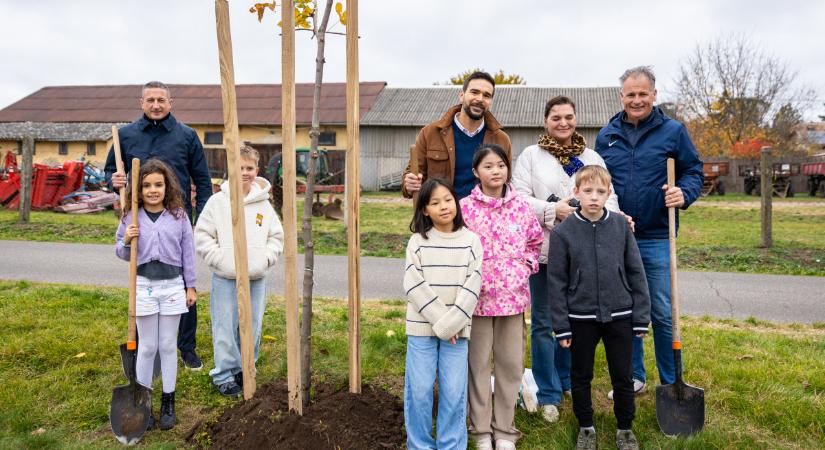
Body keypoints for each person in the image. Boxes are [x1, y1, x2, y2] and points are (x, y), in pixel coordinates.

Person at [512, 95, 623, 423]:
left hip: (583, 253)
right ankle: (548, 392)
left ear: (576, 119)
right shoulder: (531, 157)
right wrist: (552, 210)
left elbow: (610, 196)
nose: (563, 123)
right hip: (544, 252)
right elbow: (517, 197)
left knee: (575, 321)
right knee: (545, 322)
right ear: (545, 121)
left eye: (568, 117)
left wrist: (605, 217)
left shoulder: (591, 158)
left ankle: (567, 380)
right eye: (556, 117)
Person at [594, 66, 703, 398]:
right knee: (626, 311)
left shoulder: (673, 132)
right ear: (621, 96)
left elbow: (694, 170)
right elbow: (596, 180)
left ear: (654, 95)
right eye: (631, 94)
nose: (637, 100)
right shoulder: (607, 134)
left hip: (657, 236)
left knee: (661, 310)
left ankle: (671, 381)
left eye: (643, 94)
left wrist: (684, 192)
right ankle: (634, 377)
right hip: (617, 235)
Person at [105, 81, 213, 371]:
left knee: (183, 280)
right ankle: (144, 344)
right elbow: (110, 173)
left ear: (170, 102)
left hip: (177, 220)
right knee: (143, 280)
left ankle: (186, 347)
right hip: (140, 218)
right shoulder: (126, 135)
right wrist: (113, 182)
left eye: (161, 100)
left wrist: (200, 219)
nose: (155, 105)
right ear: (141, 102)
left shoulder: (187, 136)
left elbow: (202, 181)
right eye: (150, 100)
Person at [547, 165, 650, 450]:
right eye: (588, 191)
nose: (594, 197)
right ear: (576, 192)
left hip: (620, 315)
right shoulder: (563, 232)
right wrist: (561, 325)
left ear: (609, 194)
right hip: (580, 318)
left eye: (600, 192)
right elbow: (556, 282)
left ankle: (625, 429)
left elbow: (636, 272)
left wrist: (641, 317)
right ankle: (586, 427)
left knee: (622, 374)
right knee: (581, 375)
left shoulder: (620, 226)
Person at [459, 144, 542, 450]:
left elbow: (535, 241)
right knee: (478, 365)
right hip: (476, 302)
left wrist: (526, 266)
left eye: (501, 165)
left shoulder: (521, 206)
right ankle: (481, 430)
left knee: (510, 365)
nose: (496, 171)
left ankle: (505, 430)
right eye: (488, 166)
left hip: (513, 300)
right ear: (476, 172)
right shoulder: (464, 208)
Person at [194, 145, 284, 398]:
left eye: (250, 168)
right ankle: (224, 373)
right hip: (226, 277)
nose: (245, 173)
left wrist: (265, 259)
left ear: (257, 169)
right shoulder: (218, 202)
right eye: (240, 167)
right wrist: (220, 260)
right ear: (231, 169)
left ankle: (246, 367)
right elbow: (202, 236)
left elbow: (276, 236)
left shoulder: (263, 204)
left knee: (252, 325)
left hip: (256, 277)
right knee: (225, 325)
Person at [115, 158, 198, 431]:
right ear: (138, 189)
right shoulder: (131, 215)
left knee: (167, 345)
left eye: (158, 185)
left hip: (173, 285)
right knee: (148, 346)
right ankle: (143, 402)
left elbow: (188, 253)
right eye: (147, 185)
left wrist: (191, 285)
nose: (153, 190)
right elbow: (122, 252)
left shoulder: (178, 215)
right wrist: (126, 239)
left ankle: (168, 402)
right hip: (143, 286)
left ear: (167, 186)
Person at [403, 178, 483, 450]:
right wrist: (444, 324)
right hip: (422, 329)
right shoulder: (417, 242)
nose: (444, 207)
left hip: (457, 332)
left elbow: (472, 287)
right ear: (425, 210)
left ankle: (451, 445)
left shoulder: (471, 241)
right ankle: (420, 445)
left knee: (453, 391)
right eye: (435, 203)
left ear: (456, 202)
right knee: (421, 390)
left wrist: (451, 325)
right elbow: (413, 284)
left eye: (448, 200)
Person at [402, 71, 512, 200]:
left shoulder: (501, 139)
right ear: (461, 95)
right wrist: (409, 184)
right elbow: (412, 175)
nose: (480, 99)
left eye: (486, 95)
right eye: (474, 92)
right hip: (442, 216)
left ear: (490, 102)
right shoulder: (430, 133)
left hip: (485, 218)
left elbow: (506, 183)